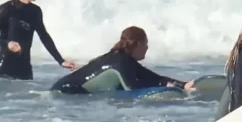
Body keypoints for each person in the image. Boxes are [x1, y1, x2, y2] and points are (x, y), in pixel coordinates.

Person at [0, 0, 77, 80]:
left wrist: (61, 61)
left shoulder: (35, 11)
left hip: (25, 70)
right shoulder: (6, 9)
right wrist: (7, 43)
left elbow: (44, 37)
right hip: (5, 70)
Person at [51, 26, 197, 94]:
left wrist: (183, 85)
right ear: (138, 44)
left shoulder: (124, 59)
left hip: (64, 89)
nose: (147, 47)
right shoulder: (121, 61)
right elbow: (132, 88)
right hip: (66, 91)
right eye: (146, 43)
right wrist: (169, 88)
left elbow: (154, 78)